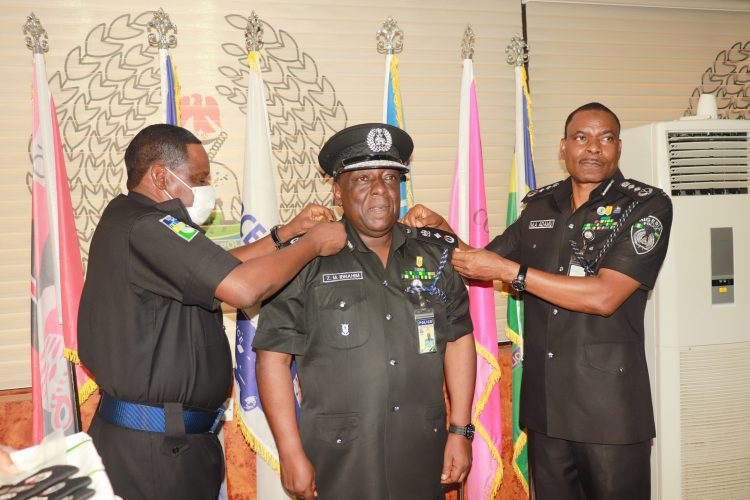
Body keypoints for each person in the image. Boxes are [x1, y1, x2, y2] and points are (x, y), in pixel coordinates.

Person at [403, 103, 672, 500]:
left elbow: (605, 296)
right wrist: (440, 227)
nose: (593, 148)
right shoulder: (541, 205)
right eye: (581, 138)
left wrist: (515, 273)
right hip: (546, 410)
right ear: (563, 147)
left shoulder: (645, 206)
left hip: (609, 415)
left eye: (606, 138)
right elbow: (478, 261)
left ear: (618, 148)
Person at [78, 124, 346, 500]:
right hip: (154, 450)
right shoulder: (146, 226)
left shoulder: (137, 220)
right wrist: (313, 244)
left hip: (173, 443)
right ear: (160, 175)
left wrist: (286, 234)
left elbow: (219, 268)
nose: (207, 189)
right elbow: (242, 288)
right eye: (199, 178)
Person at [253, 123, 477, 500]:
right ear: (337, 191)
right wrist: (290, 453)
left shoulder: (435, 254)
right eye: (362, 179)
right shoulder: (306, 257)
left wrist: (460, 431)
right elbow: (272, 359)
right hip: (338, 455)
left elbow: (458, 341)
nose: (379, 190)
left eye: (390, 177)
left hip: (423, 449)